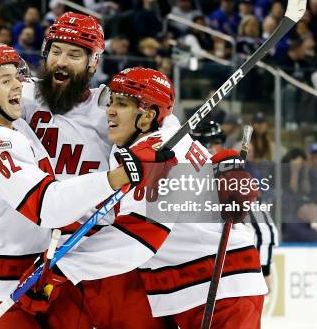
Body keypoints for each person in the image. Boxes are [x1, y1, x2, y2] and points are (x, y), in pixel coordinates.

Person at [0, 12, 181, 328]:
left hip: (101, 249)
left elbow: (165, 125)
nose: (62, 62)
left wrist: (155, 148)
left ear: (93, 62)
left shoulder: (109, 105)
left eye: (74, 54)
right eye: (55, 51)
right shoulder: (19, 95)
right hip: (43, 253)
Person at [34, 69, 266, 329]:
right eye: (111, 102)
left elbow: (138, 240)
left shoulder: (162, 156)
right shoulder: (154, 143)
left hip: (221, 282)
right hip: (192, 284)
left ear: (147, 116)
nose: (109, 111)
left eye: (121, 104)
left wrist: (62, 270)